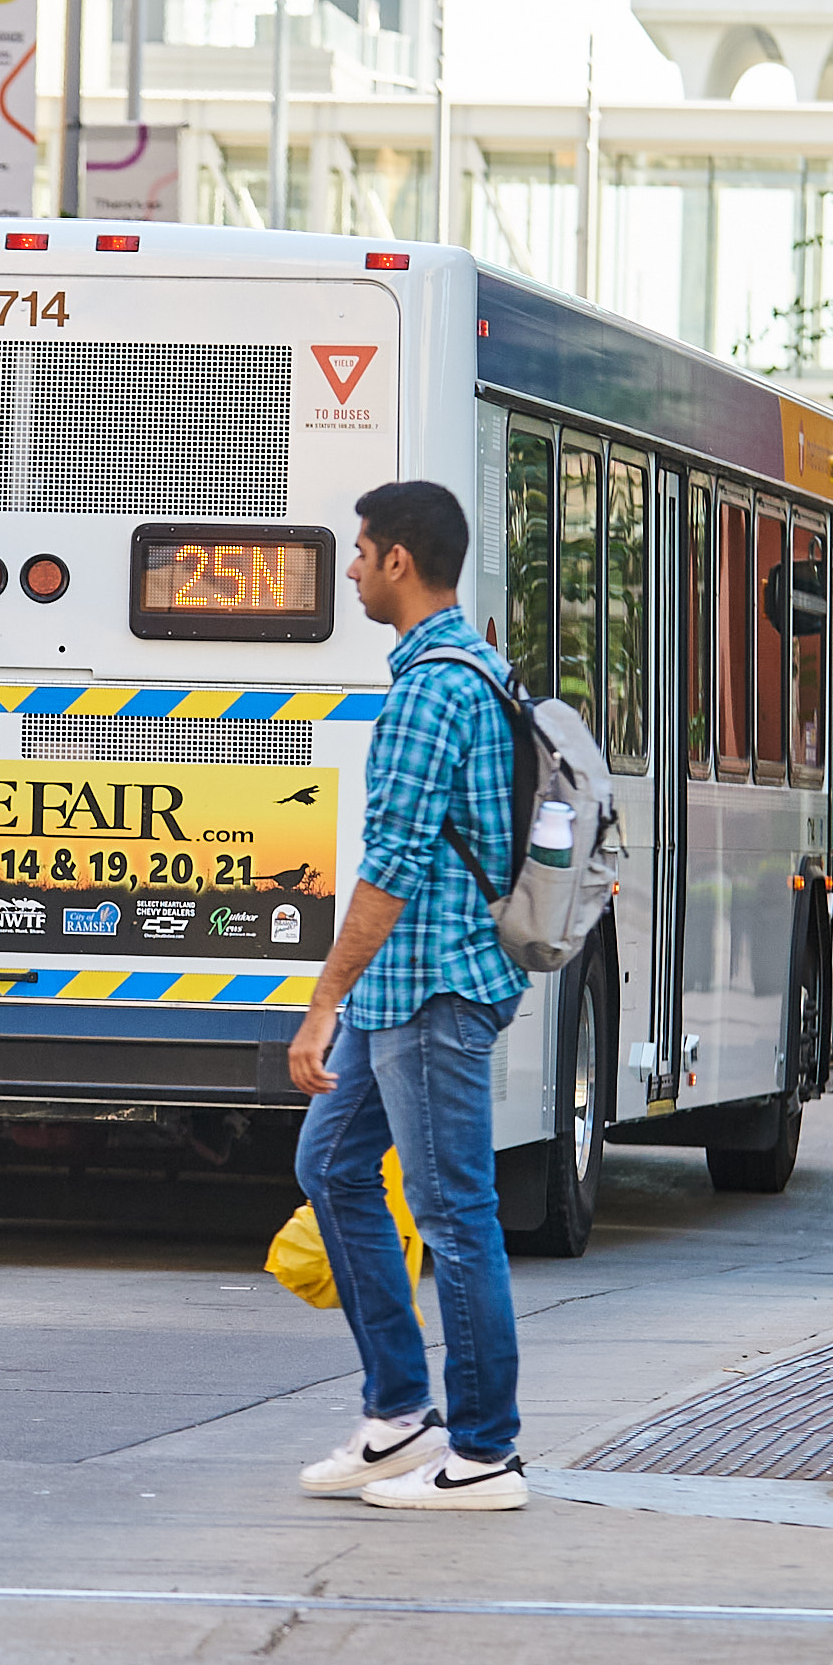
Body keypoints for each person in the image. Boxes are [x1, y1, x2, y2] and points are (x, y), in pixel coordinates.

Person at [285, 479, 536, 1513]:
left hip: (431, 987)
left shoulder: (435, 687)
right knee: (331, 1165)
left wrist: (319, 1002)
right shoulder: (459, 669)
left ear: (397, 560)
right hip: (409, 987)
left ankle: (483, 1453)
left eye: (356, 551)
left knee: (452, 1214)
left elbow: (388, 867)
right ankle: (396, 1416)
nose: (346, 568)